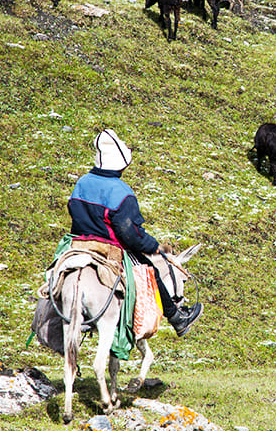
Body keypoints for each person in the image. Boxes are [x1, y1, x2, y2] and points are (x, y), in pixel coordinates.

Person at [68, 128, 203, 336]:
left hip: (78, 244)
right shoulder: (121, 192)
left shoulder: (82, 182)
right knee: (151, 270)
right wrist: (152, 246)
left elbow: (74, 210)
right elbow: (130, 234)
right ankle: (177, 318)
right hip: (109, 247)